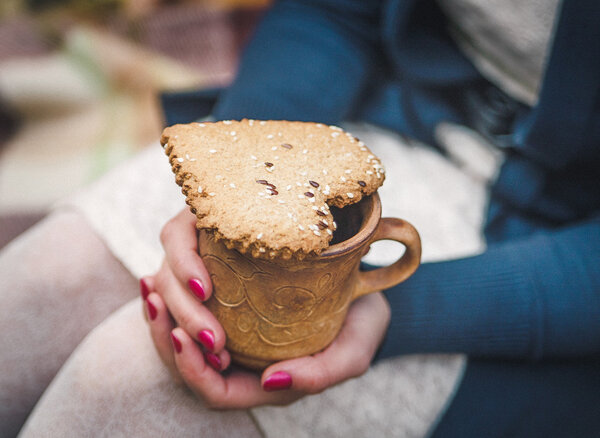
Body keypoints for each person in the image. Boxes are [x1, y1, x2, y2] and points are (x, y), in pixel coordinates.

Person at [2, 0, 599, 436]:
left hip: (549, 268)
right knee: (41, 283)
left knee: (124, 384)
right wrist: (234, 183)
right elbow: (335, 14)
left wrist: (394, 307)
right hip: (355, 122)